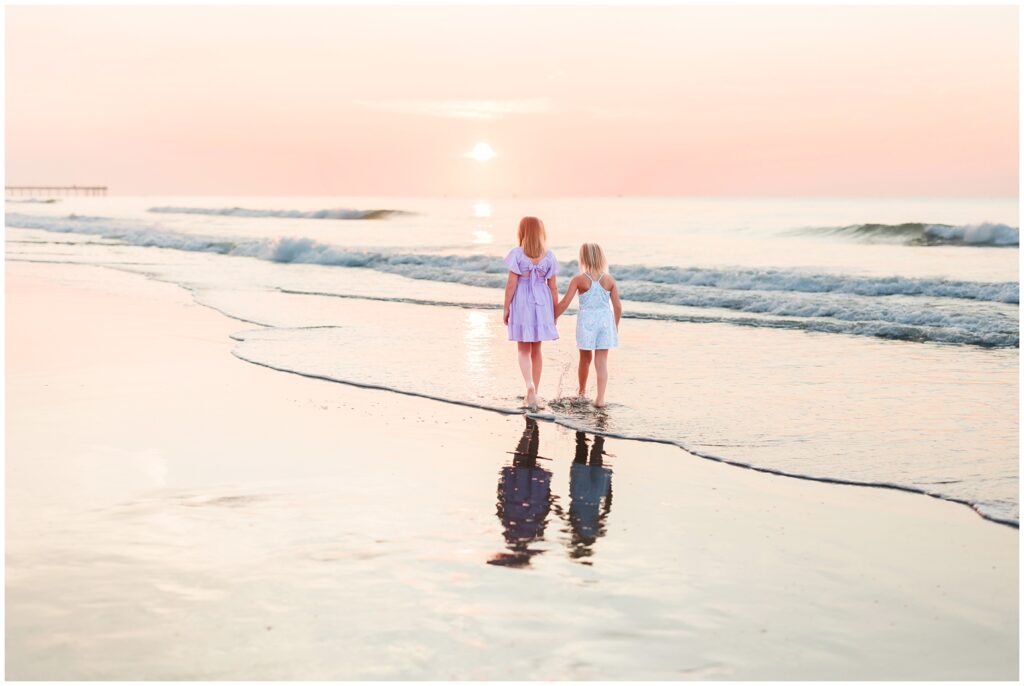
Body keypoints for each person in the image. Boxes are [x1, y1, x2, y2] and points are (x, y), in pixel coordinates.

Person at [554, 243, 622, 407]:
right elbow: (618, 307)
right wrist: (615, 327)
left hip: (587, 321)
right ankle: (600, 398)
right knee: (602, 360)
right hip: (605, 321)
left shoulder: (579, 279)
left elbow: (564, 303)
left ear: (583, 258)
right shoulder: (609, 280)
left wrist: (552, 318)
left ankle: (582, 393)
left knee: (585, 358)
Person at [503, 216, 559, 409]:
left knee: (523, 349)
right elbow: (553, 287)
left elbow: (511, 284)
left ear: (522, 232)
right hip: (542, 301)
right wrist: (554, 312)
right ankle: (535, 393)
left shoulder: (517, 254)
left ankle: (529, 385)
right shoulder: (549, 256)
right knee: (537, 349)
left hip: (522, 301)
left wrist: (506, 307)